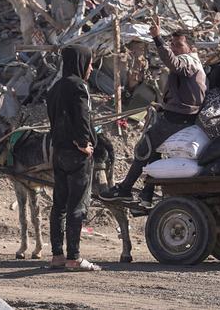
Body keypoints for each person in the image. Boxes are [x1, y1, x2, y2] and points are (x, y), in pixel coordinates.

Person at [100, 17, 206, 206]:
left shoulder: (189, 61)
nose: (173, 48)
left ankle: (124, 190)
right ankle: (146, 196)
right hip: (179, 116)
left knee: (144, 147)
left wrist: (158, 39)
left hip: (176, 120)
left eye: (178, 45)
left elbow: (175, 64)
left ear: (192, 48)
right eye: (172, 44)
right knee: (154, 152)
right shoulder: (192, 64)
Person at [46, 45, 102, 271]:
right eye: (89, 63)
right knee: (77, 206)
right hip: (77, 155)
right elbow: (82, 118)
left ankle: (57, 256)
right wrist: (84, 144)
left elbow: (54, 120)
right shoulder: (80, 86)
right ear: (80, 62)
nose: (91, 68)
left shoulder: (55, 87)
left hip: (58, 153)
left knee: (58, 205)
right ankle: (74, 258)